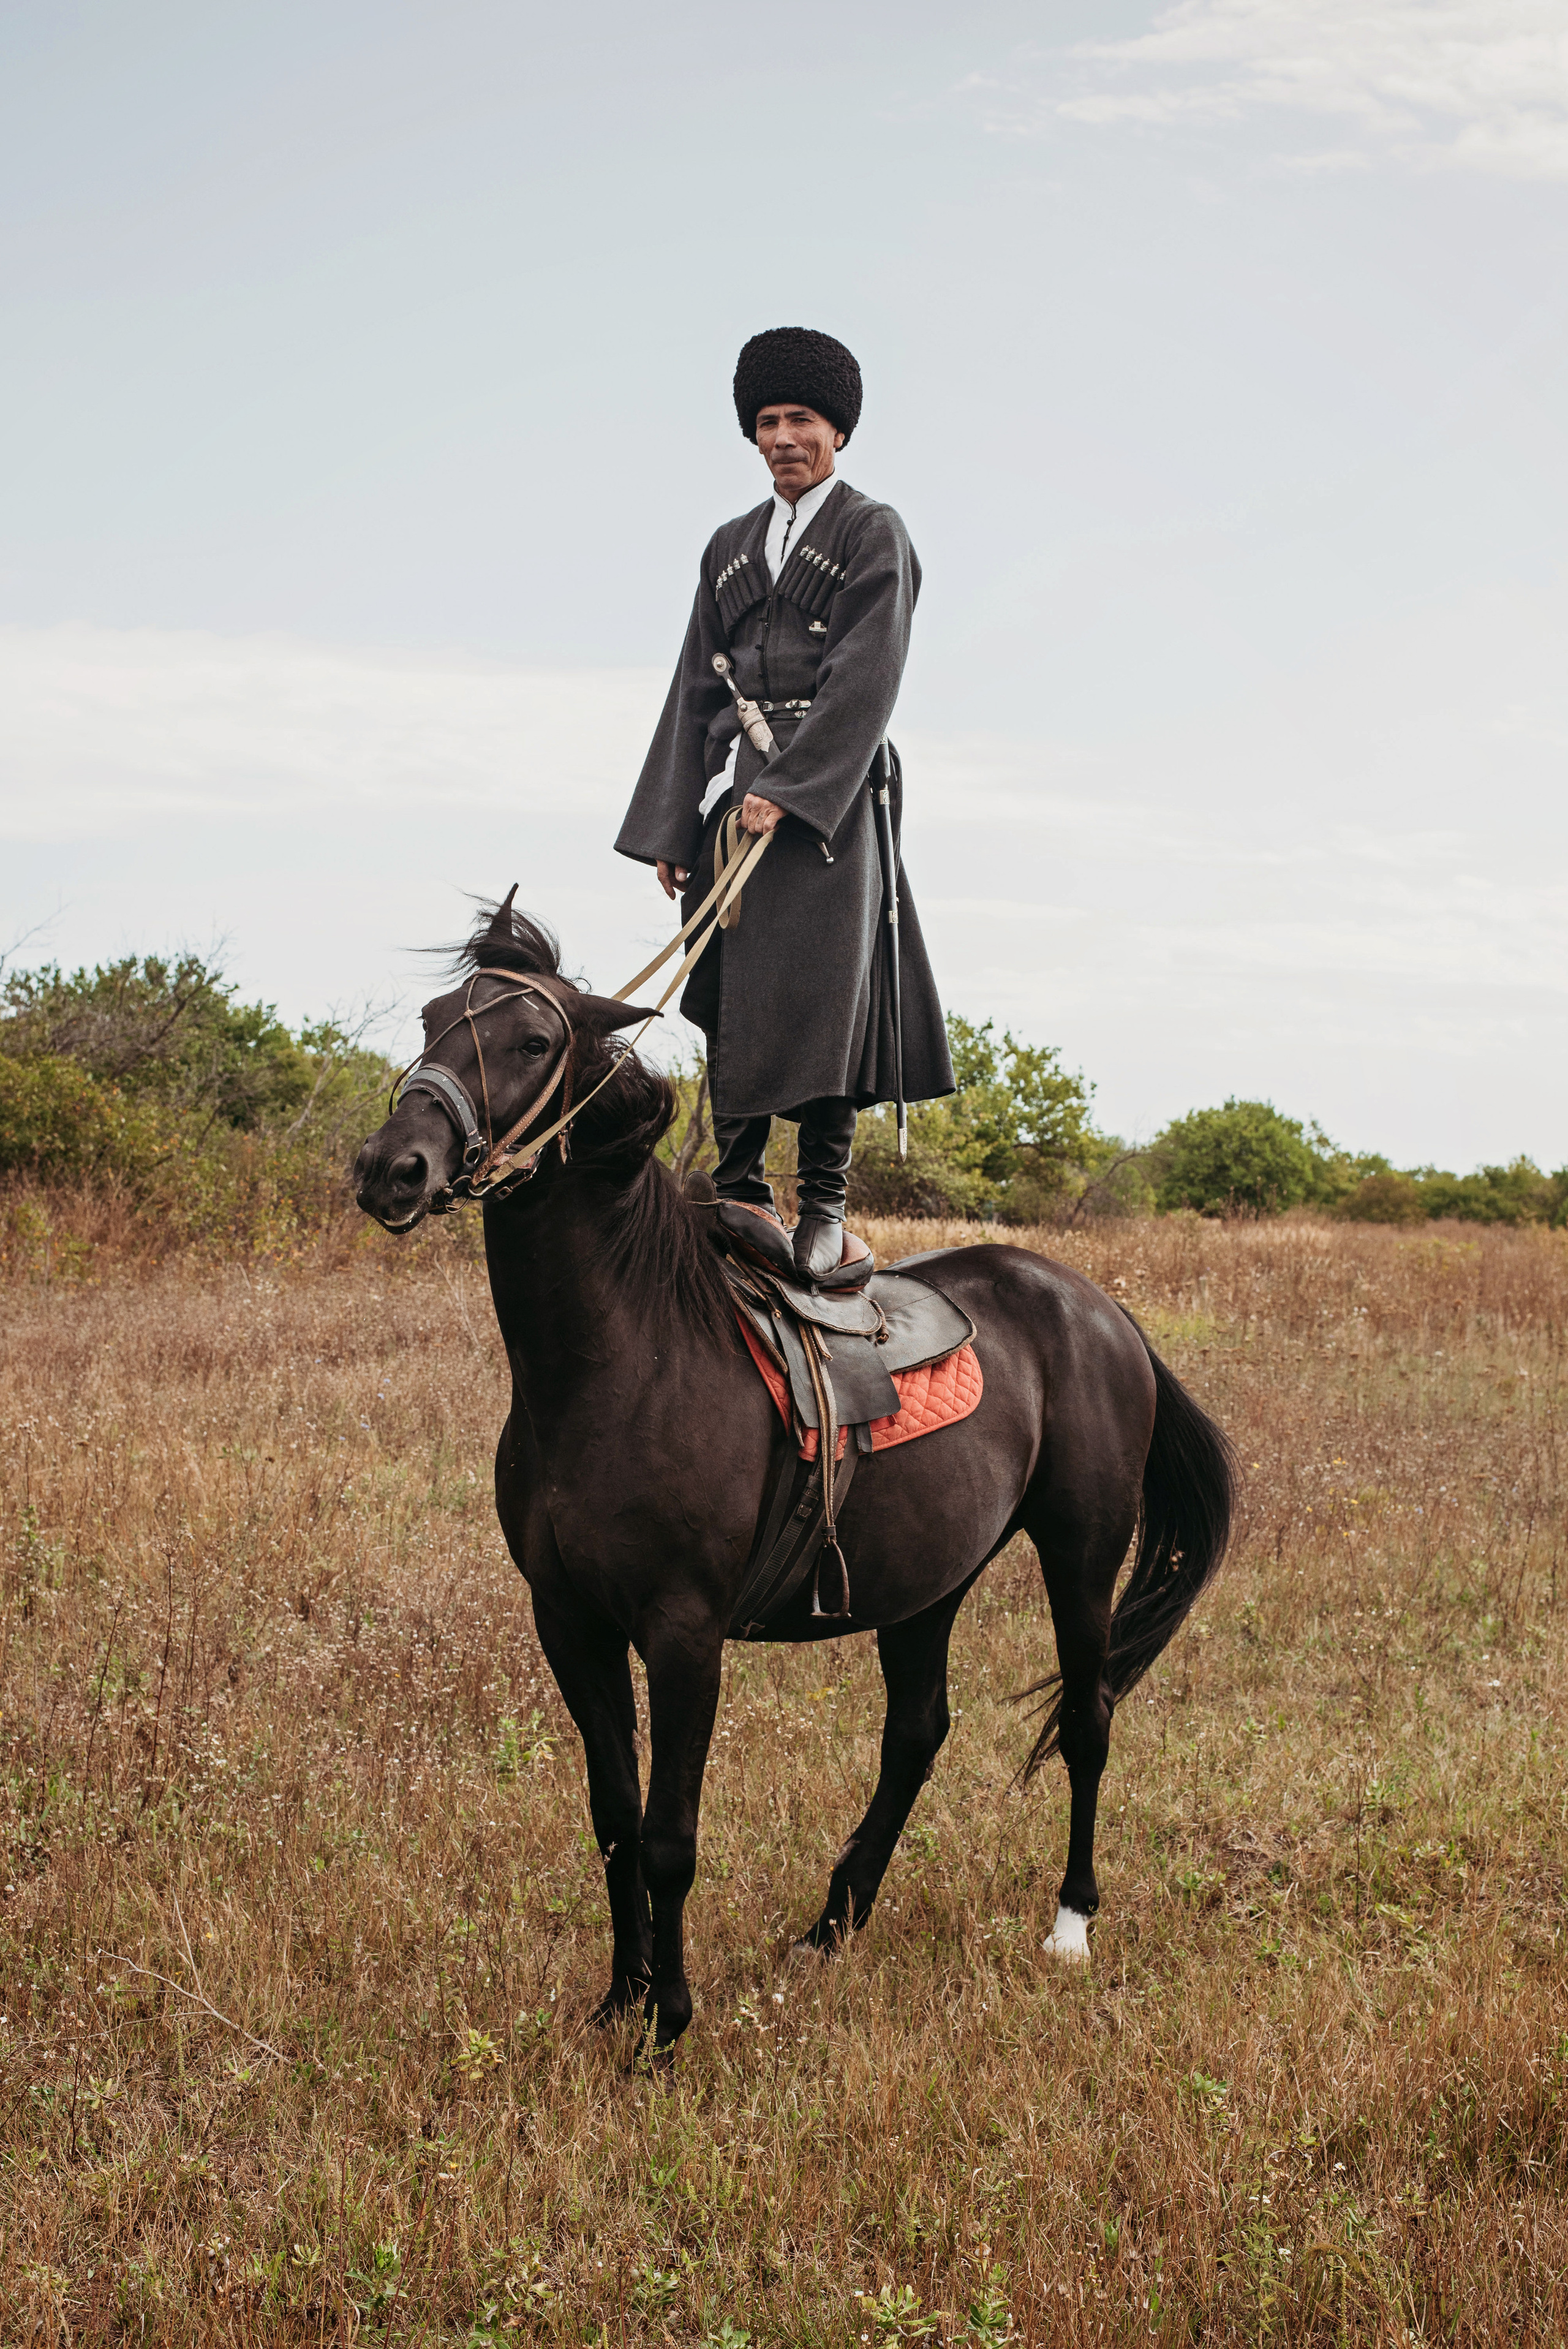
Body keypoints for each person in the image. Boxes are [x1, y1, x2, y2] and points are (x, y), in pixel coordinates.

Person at [615, 327, 952, 1280]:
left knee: (825, 998)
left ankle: (825, 1202)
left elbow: (868, 676)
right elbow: (694, 687)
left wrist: (794, 792)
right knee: (730, 990)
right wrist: (674, 823)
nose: (783, 438)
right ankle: (740, 1187)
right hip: (739, 799)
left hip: (831, 807)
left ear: (837, 429)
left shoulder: (873, 532)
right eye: (767, 421)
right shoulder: (728, 548)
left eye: (801, 418)